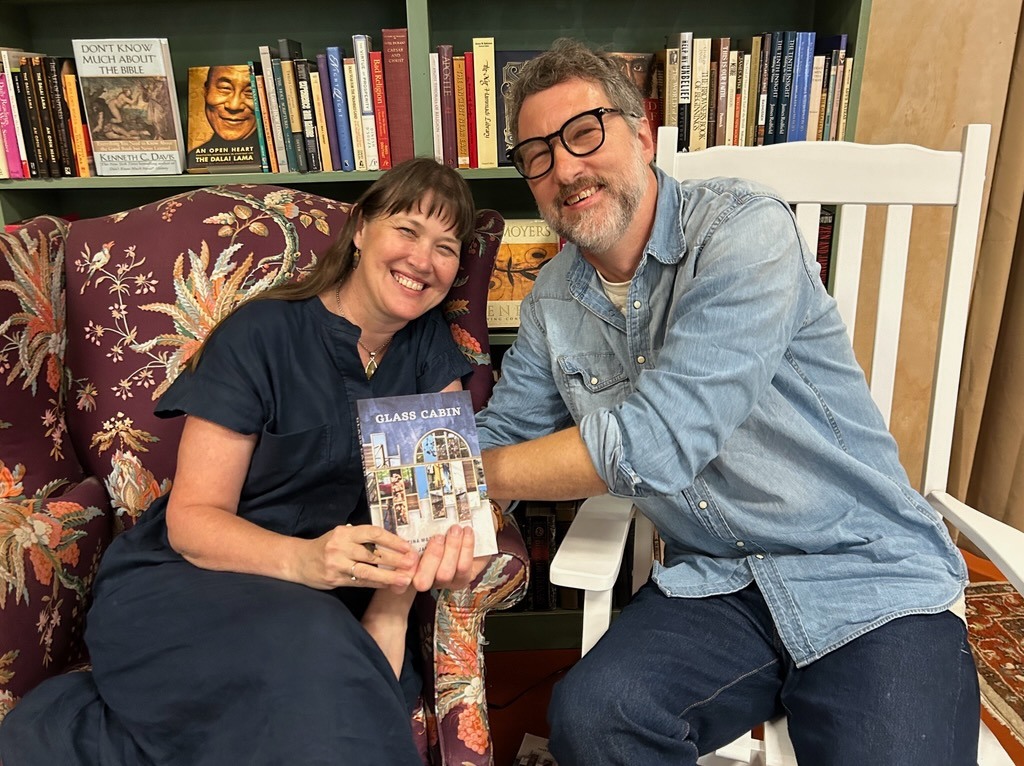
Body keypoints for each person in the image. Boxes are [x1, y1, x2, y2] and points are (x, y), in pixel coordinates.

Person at [475, 38, 980, 766]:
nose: (565, 168)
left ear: (642, 134)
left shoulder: (745, 231)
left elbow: (657, 442)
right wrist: (418, 476)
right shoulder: (553, 301)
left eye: (584, 133)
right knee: (592, 718)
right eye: (537, 155)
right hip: (715, 583)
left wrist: (475, 476)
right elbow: (506, 426)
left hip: (864, 573)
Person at [0, 158, 493, 765]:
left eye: (446, 247)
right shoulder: (260, 333)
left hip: (331, 604)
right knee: (322, 675)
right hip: (195, 579)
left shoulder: (430, 353)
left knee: (323, 674)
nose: (424, 259)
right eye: (408, 230)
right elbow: (193, 522)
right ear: (361, 228)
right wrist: (306, 560)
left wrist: (391, 611)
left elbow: (436, 517)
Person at [186, 64, 259, 169]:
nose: (234, 106)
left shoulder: (274, 159)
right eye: (225, 88)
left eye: (250, 92)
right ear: (206, 91)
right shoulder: (194, 159)